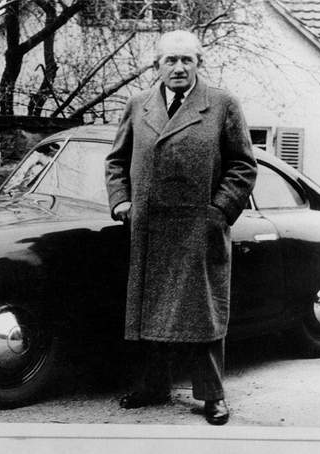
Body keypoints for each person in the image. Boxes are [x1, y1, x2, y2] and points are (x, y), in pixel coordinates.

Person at [104, 30, 257, 425]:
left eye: (186, 59)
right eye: (170, 60)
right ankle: (153, 386)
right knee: (152, 312)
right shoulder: (138, 104)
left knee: (202, 314)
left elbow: (243, 166)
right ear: (157, 65)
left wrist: (218, 211)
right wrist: (121, 201)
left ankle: (213, 395)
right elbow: (116, 161)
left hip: (198, 229)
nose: (178, 67)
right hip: (150, 230)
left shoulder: (222, 104)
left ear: (198, 63)